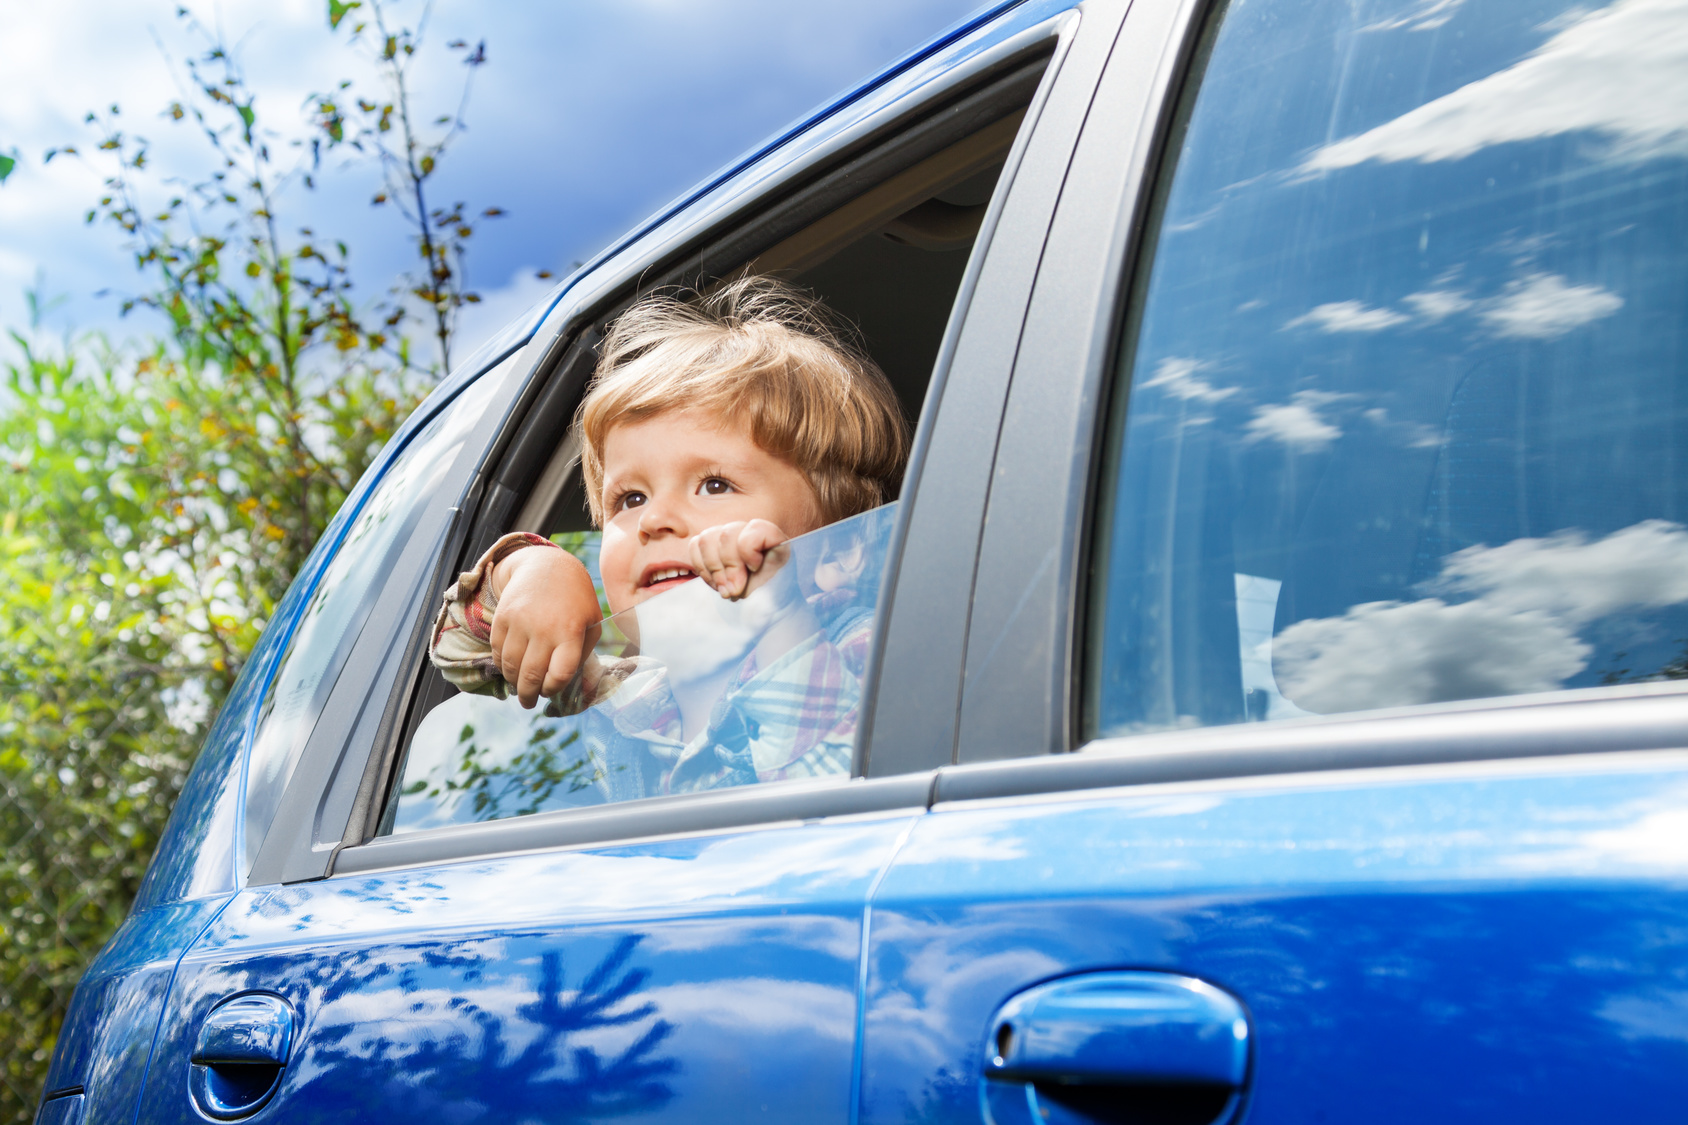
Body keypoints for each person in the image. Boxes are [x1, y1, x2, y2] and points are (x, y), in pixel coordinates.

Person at [427, 275, 908, 799]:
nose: (655, 520)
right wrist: (535, 570)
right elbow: (459, 652)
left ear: (838, 550)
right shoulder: (619, 691)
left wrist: (780, 619)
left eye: (714, 484)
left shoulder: (874, 650)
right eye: (630, 499)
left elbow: (835, 794)